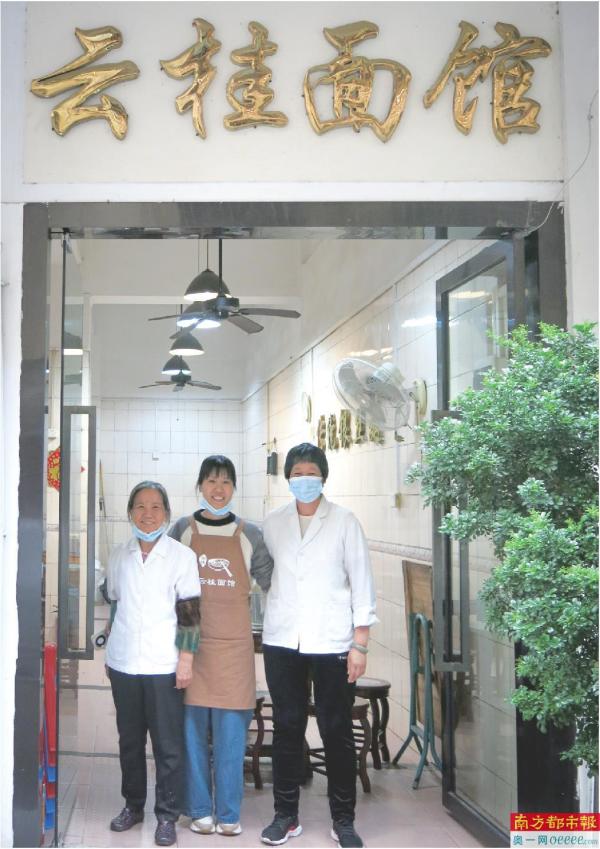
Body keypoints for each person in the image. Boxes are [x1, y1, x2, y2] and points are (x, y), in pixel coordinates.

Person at [259, 443, 377, 849]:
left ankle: (343, 820)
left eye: (311, 473)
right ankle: (285, 816)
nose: (304, 479)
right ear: (288, 478)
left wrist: (360, 645)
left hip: (333, 641)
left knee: (336, 729)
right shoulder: (273, 523)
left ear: (323, 477)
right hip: (282, 640)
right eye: (297, 473)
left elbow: (362, 583)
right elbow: (265, 574)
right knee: (287, 728)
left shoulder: (344, 521)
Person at [170, 454, 273, 836]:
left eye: (226, 482)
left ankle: (229, 813)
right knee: (192, 735)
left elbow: (273, 584)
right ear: (200, 486)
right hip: (190, 648)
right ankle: (199, 809)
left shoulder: (250, 534)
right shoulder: (183, 529)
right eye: (211, 481)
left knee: (232, 738)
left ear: (234, 488)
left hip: (234, 650)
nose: (218, 489)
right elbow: (166, 582)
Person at [105, 481, 201, 847]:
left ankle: (166, 815)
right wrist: (110, 650)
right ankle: (133, 806)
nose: (148, 514)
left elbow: (190, 615)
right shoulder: (119, 555)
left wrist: (186, 660)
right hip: (124, 663)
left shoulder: (181, 557)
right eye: (140, 506)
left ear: (167, 513)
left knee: (167, 745)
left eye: (156, 506)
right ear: (130, 513)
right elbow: (115, 603)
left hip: (164, 664)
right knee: (130, 741)